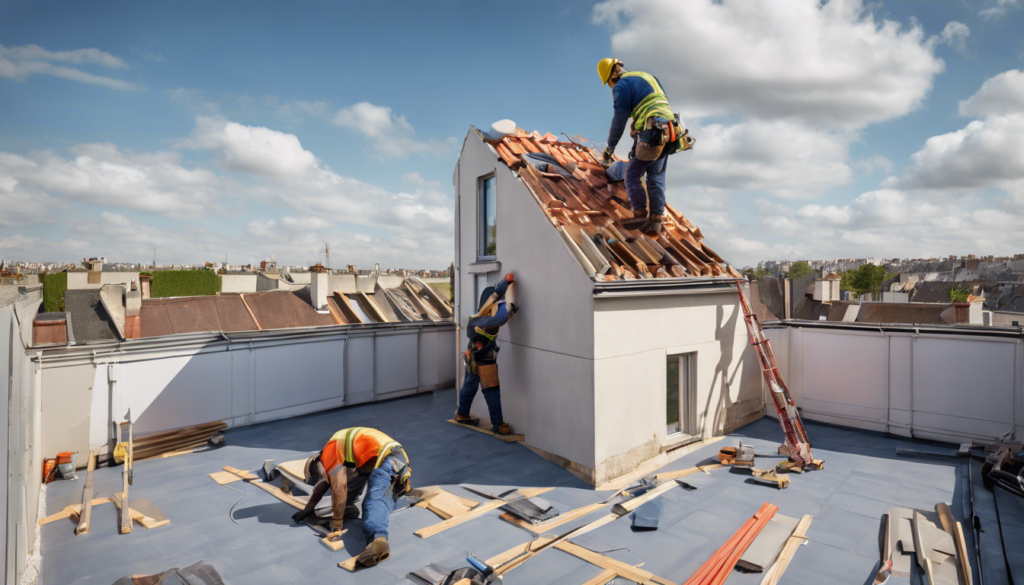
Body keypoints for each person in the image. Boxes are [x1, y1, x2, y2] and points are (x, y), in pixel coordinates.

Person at [292, 427, 411, 567]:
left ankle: (379, 541)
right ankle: (353, 508)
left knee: (374, 498)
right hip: (377, 458)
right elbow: (322, 487)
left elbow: (338, 487)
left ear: (316, 467)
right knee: (352, 487)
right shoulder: (338, 455)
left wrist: (337, 525)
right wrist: (308, 510)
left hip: (389, 457)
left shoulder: (329, 455)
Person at [597, 57, 689, 237]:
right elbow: (659, 105)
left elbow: (619, 120)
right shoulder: (647, 76)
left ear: (612, 76)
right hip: (670, 130)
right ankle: (656, 220)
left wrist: (610, 149)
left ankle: (639, 214)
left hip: (653, 130)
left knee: (631, 174)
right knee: (656, 176)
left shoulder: (620, 86)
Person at [455, 273, 518, 435]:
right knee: (491, 392)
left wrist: (506, 304)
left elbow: (500, 316)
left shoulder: (478, 319)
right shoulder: (481, 321)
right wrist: (502, 289)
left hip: (473, 359)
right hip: (484, 361)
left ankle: (462, 414)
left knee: (469, 387)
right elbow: (500, 317)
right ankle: (498, 424)